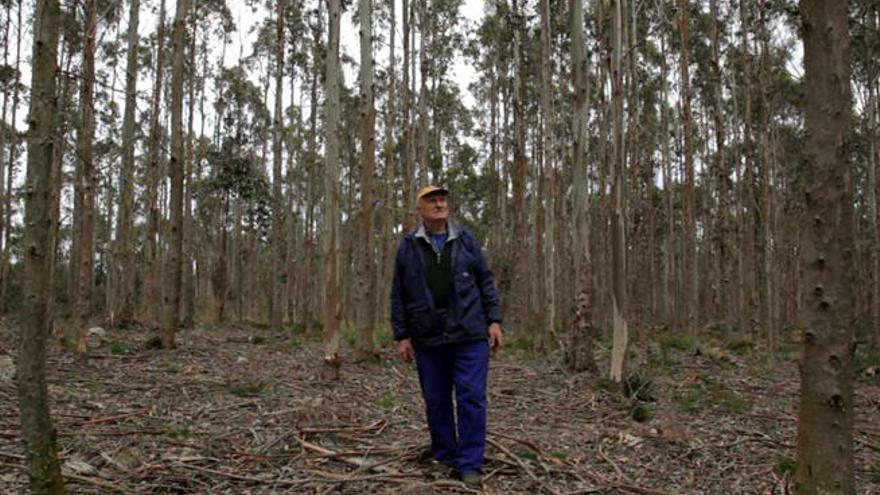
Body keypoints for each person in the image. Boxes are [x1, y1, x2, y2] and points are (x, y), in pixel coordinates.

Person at [390, 185, 504, 487]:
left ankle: (469, 464)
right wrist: (402, 335)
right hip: (428, 336)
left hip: (469, 334)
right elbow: (398, 294)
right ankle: (445, 456)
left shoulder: (466, 240)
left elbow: (485, 281)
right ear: (420, 209)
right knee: (436, 400)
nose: (440, 204)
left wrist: (494, 320)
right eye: (432, 200)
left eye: (442, 199)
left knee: (471, 398)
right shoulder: (408, 246)